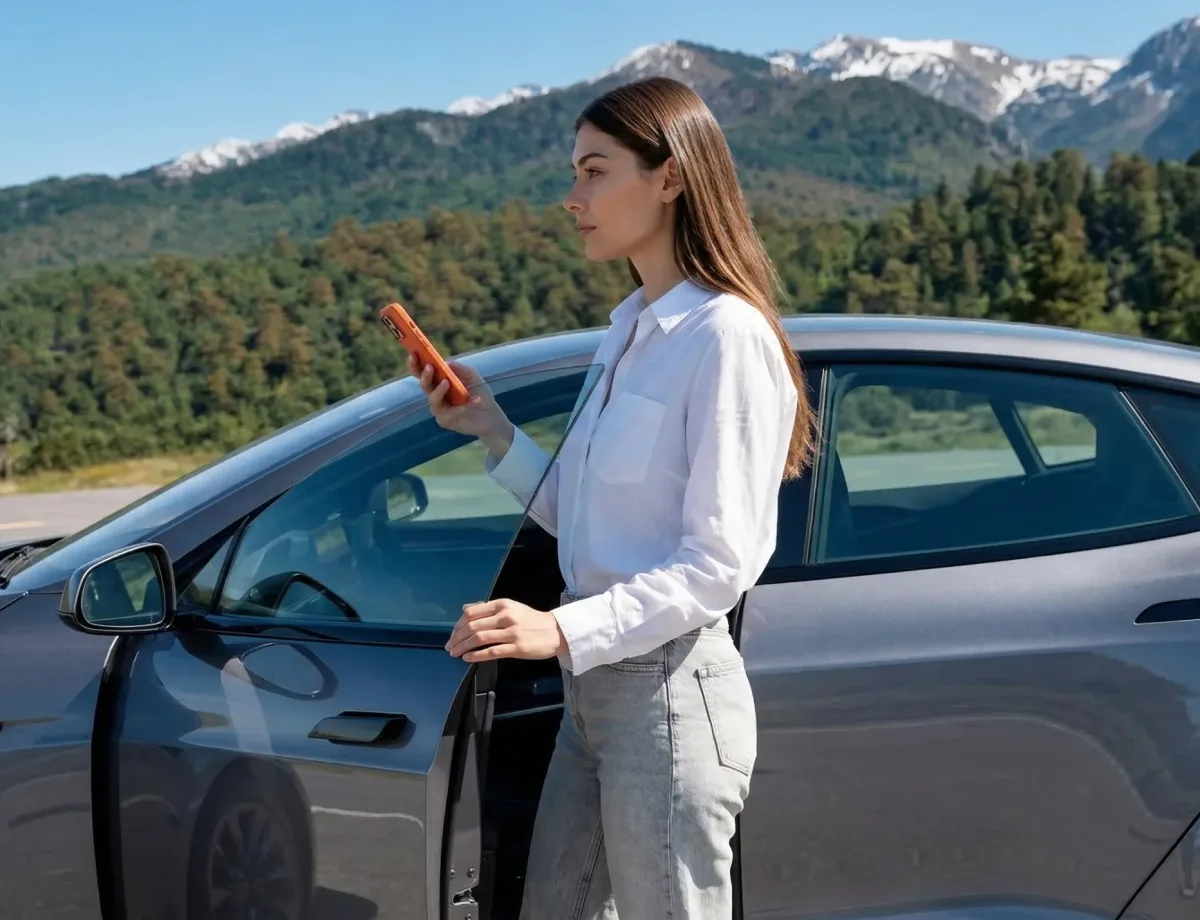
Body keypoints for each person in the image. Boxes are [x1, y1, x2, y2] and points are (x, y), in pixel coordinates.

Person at [411, 75, 813, 919]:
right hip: (591, 700)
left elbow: (719, 564)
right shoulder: (628, 328)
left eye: (595, 171)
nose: (572, 198)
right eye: (574, 174)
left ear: (670, 177)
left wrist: (558, 626)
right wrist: (491, 431)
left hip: (668, 695)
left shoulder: (724, 336)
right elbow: (592, 520)